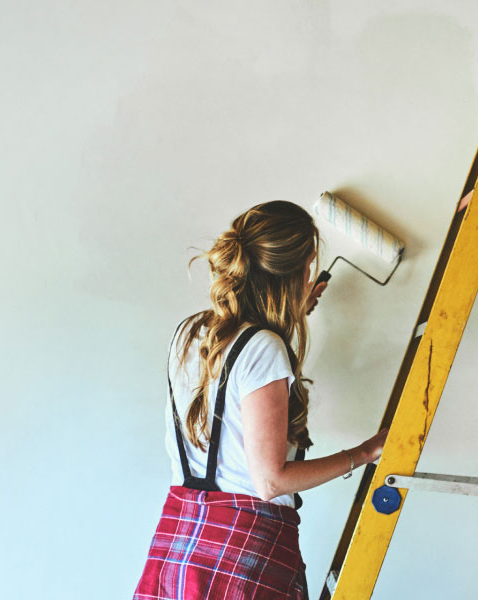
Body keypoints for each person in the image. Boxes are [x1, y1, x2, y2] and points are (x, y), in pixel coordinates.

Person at [135, 200, 387, 600]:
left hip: (180, 545)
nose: (309, 281)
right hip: (242, 551)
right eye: (306, 271)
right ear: (287, 277)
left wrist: (292, 311)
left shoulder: (190, 334)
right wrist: (364, 452)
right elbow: (271, 481)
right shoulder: (264, 348)